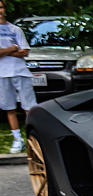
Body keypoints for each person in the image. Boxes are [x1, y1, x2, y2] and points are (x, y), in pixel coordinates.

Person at [0, 0, 37, 154]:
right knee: (10, 108)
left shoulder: (15, 29)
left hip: (20, 71)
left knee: (30, 107)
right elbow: (17, 50)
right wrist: (13, 48)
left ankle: (32, 137)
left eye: (1, 7)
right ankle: (17, 139)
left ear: (5, 10)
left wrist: (5, 52)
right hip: (2, 73)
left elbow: (25, 52)